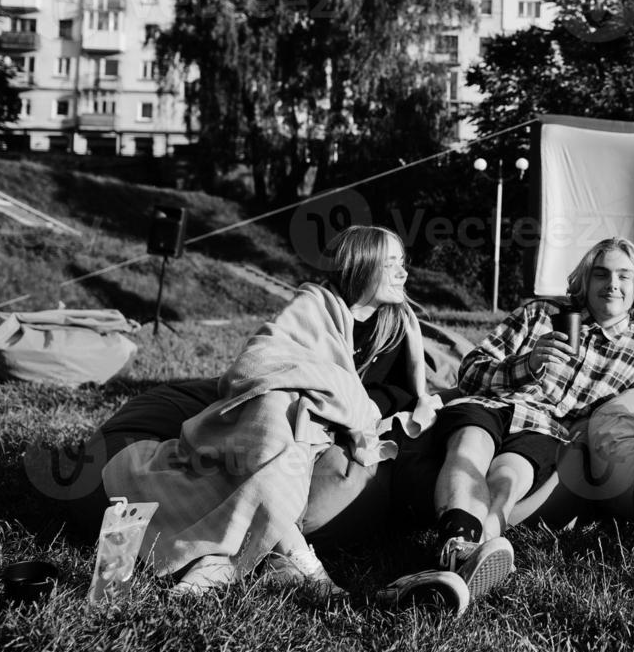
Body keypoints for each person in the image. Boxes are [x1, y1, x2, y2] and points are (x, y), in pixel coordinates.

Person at [103, 225, 436, 596]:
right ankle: (296, 559)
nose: (403, 273)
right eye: (391, 264)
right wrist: (316, 388)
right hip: (280, 408)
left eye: (402, 262)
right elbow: (259, 361)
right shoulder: (314, 306)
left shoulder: (397, 326)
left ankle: (235, 559)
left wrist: (344, 400)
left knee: (290, 421)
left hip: (330, 422)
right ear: (361, 265)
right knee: (277, 412)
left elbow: (401, 394)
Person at [380, 237, 634, 613]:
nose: (613, 284)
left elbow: (627, 420)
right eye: (601, 274)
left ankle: (451, 563)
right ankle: (461, 550)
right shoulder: (539, 314)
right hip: (493, 403)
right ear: (585, 280)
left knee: (510, 478)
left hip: (547, 430)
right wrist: (527, 363)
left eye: (625, 276)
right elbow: (470, 372)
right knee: (469, 448)